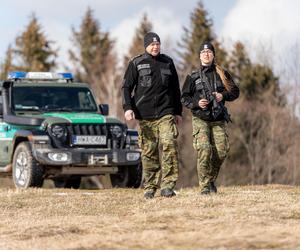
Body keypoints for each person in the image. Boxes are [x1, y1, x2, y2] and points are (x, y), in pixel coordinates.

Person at [121, 32, 182, 199]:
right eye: (152, 44)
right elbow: (126, 88)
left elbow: (176, 89)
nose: (155, 47)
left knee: (169, 144)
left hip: (166, 113)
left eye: (158, 44)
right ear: (146, 46)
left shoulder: (167, 62)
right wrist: (127, 108)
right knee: (149, 152)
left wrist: (178, 111)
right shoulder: (136, 63)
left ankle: (168, 185)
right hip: (145, 115)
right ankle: (150, 186)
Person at [181, 42, 239, 195]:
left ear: (213, 55)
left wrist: (222, 95)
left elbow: (235, 92)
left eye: (209, 52)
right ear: (200, 56)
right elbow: (184, 97)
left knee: (222, 151)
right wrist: (196, 103)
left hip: (218, 118)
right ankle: (205, 187)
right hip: (200, 118)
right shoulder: (192, 76)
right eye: (203, 52)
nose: (206, 54)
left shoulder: (222, 73)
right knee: (205, 150)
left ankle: (210, 178)